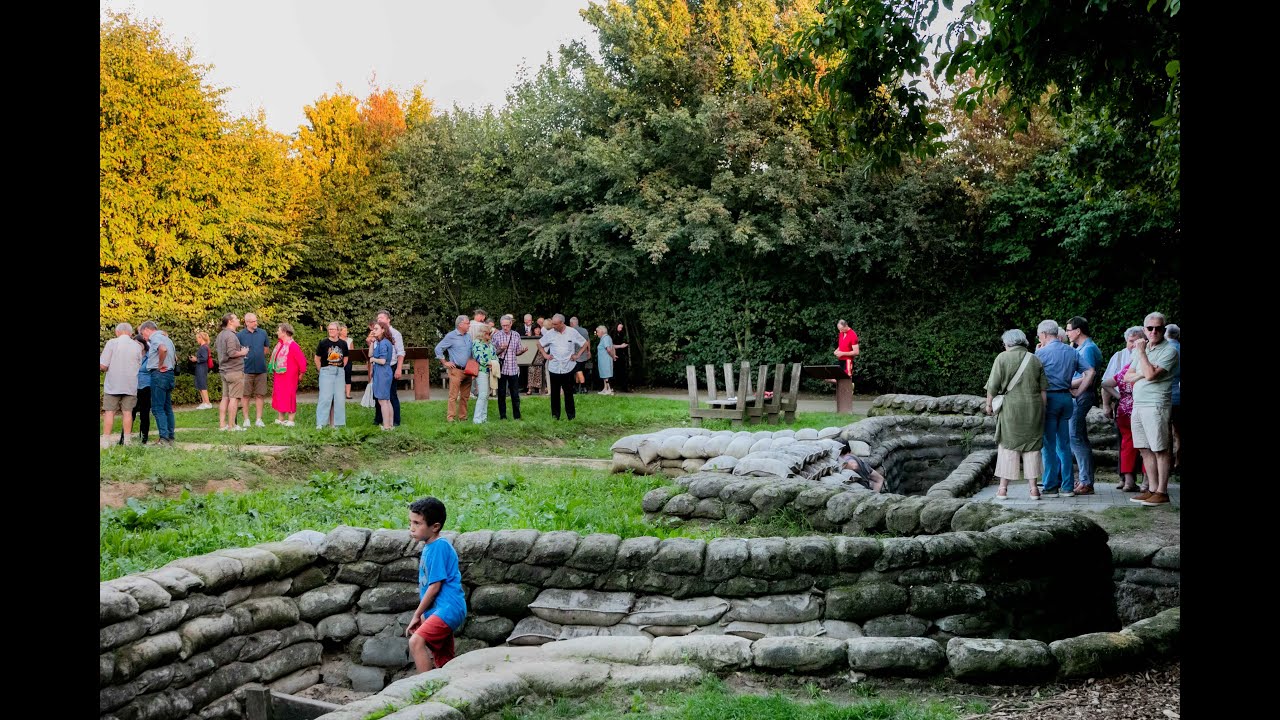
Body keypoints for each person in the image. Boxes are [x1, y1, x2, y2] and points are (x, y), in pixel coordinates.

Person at [985, 329, 1048, 501]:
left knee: (1008, 446)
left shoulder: (1002, 358)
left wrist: (989, 404)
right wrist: (1042, 410)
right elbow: (1043, 390)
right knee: (1033, 448)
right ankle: (1034, 490)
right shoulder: (1035, 359)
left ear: (1008, 343)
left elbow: (993, 386)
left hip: (1010, 409)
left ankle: (1003, 490)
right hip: (1033, 409)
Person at [405, 496, 466, 672]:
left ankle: (424, 689)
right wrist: (424, 615)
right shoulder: (429, 547)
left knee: (416, 641)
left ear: (435, 527)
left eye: (417, 523)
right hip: (441, 609)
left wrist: (418, 614)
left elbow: (434, 587)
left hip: (449, 608)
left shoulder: (439, 547)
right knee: (443, 657)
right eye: (411, 522)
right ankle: (448, 687)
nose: (412, 528)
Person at [1127, 312, 1179, 507]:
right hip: (1139, 404)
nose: (1154, 331)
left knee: (1160, 448)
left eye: (1158, 328)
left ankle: (1162, 491)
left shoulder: (1169, 351)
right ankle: (1151, 490)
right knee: (1144, 448)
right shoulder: (1144, 348)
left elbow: (1150, 376)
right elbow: (1126, 376)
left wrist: (1141, 356)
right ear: (1144, 329)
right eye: (1150, 328)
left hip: (1156, 404)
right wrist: (1144, 370)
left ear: (1164, 330)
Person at [1034, 319, 1084, 497]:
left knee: (1048, 445)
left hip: (1050, 399)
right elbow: (1090, 371)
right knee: (1064, 444)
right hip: (1066, 398)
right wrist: (1079, 391)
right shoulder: (1072, 351)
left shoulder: (1041, 354)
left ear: (1045, 335)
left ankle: (1050, 486)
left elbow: (1034, 377)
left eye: (1039, 335)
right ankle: (1068, 486)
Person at [1102, 327, 1145, 492]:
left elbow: (1107, 383)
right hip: (1133, 407)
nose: (1133, 345)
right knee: (1139, 445)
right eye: (1131, 341)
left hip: (1127, 408)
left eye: (1137, 341)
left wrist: (1121, 397)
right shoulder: (1121, 357)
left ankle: (1133, 481)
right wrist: (1111, 402)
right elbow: (1105, 382)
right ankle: (1133, 481)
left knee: (1130, 445)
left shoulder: (1130, 365)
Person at [1064, 316, 1103, 494]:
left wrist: (1071, 387)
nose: (1067, 333)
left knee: (1076, 437)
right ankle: (1084, 480)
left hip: (1082, 396)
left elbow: (1089, 375)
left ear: (1078, 331)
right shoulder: (1083, 347)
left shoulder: (1088, 349)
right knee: (1078, 436)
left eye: (1069, 329)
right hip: (1081, 395)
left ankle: (1086, 482)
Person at [101, 322, 143, 448]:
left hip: (113, 384)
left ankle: (106, 441)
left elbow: (103, 365)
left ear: (117, 332)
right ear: (130, 333)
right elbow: (139, 364)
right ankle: (127, 440)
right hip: (130, 384)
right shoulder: (137, 346)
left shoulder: (112, 343)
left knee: (109, 412)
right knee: (127, 412)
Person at [540, 314, 586, 420]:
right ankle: (555, 416)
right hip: (554, 367)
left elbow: (584, 343)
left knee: (568, 393)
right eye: (552, 324)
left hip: (568, 367)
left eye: (555, 324)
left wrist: (577, 355)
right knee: (555, 394)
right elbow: (540, 344)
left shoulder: (572, 332)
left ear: (562, 323)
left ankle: (571, 416)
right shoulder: (550, 333)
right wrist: (545, 355)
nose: (553, 326)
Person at [140, 321, 177, 446]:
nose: (144, 337)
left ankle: (164, 438)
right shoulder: (168, 339)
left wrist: (160, 365)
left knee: (157, 408)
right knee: (167, 408)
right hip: (169, 374)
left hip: (159, 374)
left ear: (147, 329)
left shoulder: (155, 338)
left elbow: (162, 349)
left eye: (142, 333)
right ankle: (170, 437)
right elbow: (175, 357)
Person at [434, 315, 474, 422]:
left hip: (468, 371)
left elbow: (471, 353)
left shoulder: (468, 336)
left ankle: (463, 418)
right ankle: (450, 418)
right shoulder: (450, 336)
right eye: (467, 323)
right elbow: (438, 349)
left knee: (465, 397)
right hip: (456, 370)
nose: (469, 325)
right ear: (460, 324)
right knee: (453, 396)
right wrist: (445, 362)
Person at [215, 313, 250, 432]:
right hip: (234, 370)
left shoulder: (220, 335)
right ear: (230, 321)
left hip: (224, 370)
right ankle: (232, 426)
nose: (238, 320)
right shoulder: (231, 336)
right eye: (235, 318)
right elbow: (231, 353)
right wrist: (243, 352)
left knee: (225, 397)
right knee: (234, 398)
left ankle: (222, 425)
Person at [237, 312, 271, 428]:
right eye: (253, 321)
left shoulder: (263, 333)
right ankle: (246, 419)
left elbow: (266, 349)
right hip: (245, 370)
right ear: (246, 322)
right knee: (245, 395)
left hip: (261, 369)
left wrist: (258, 356)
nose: (256, 323)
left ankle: (258, 419)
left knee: (260, 395)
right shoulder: (240, 335)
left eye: (256, 320)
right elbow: (236, 352)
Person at [268, 323, 306, 426]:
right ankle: (280, 419)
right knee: (280, 395)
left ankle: (291, 420)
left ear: (284, 332)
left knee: (289, 396)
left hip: (289, 376)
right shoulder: (280, 344)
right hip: (279, 375)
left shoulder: (293, 346)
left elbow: (302, 361)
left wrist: (301, 373)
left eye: (279, 330)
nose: (277, 332)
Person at [373, 310, 406, 427]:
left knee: (390, 395)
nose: (379, 320)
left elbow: (400, 352)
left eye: (382, 318)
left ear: (388, 320)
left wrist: (399, 368)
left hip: (390, 366)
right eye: (378, 318)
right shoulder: (377, 335)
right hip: (379, 368)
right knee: (379, 396)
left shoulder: (395, 333)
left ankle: (395, 421)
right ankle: (380, 419)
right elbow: (375, 352)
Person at [119, 332, 151, 445]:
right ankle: (123, 438)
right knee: (129, 412)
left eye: (139, 344)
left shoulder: (149, 355)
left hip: (146, 386)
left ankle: (144, 437)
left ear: (144, 344)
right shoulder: (130, 355)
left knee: (144, 413)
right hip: (132, 387)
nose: (137, 346)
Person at [492, 314, 527, 420]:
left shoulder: (516, 335)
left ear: (511, 324)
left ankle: (517, 416)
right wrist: (500, 349)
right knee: (501, 394)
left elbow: (517, 352)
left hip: (513, 369)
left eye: (507, 325)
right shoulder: (496, 336)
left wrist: (522, 351)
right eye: (503, 326)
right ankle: (503, 416)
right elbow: (492, 353)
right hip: (502, 369)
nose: (505, 328)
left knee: (515, 394)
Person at [315, 322, 349, 429]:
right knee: (325, 398)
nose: (331, 331)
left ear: (338, 331)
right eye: (329, 329)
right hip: (326, 371)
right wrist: (321, 370)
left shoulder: (343, 344)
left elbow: (346, 357)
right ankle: (321, 423)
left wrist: (341, 367)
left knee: (339, 398)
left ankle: (337, 423)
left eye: (333, 329)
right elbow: (317, 358)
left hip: (339, 372)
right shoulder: (323, 343)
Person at [369, 320, 396, 431]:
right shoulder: (380, 342)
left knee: (383, 400)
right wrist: (372, 342)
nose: (373, 331)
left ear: (383, 330)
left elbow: (383, 360)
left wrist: (373, 360)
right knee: (386, 400)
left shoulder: (384, 343)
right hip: (382, 372)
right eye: (373, 329)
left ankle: (386, 426)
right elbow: (370, 354)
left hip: (383, 372)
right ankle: (390, 425)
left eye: (376, 329)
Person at [470, 326, 497, 424]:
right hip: (481, 371)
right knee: (482, 395)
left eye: (490, 333)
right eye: (488, 333)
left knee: (486, 395)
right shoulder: (476, 343)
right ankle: (477, 419)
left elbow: (495, 356)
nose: (490, 335)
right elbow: (478, 358)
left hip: (490, 371)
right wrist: (490, 363)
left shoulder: (490, 344)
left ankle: (483, 418)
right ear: (483, 333)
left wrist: (494, 363)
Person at [1165, 323, 1181, 473]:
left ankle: (1167, 464)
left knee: (1166, 431)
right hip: (1179, 395)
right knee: (1178, 431)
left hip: (1167, 394)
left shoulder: (1167, 350)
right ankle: (1178, 461)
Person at [467, 308, 488, 399]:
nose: (484, 319)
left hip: (467, 350)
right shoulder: (481, 325)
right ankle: (474, 391)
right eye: (483, 317)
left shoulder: (468, 324)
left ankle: (469, 391)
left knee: (469, 371)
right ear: (481, 315)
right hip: (478, 350)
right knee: (476, 371)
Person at [190, 331, 213, 409]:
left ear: (201, 338)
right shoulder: (203, 347)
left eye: (197, 338)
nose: (197, 340)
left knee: (202, 385)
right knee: (200, 384)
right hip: (200, 367)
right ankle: (204, 402)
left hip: (202, 367)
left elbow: (204, 358)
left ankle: (207, 403)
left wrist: (196, 359)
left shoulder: (203, 347)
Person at [569, 317, 592, 393]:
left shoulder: (572, 331)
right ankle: (576, 387)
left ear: (571, 324)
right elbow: (588, 341)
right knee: (580, 370)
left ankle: (583, 387)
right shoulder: (585, 330)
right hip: (584, 354)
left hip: (576, 354)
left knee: (578, 371)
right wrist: (589, 351)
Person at [528, 319, 547, 396]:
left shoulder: (543, 337)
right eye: (536, 329)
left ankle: (540, 388)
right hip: (531, 356)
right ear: (533, 330)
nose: (538, 330)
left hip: (540, 356)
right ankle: (530, 388)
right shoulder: (530, 338)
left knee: (540, 372)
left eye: (539, 329)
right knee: (531, 372)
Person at [595, 325, 616, 395]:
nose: (596, 333)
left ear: (601, 331)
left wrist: (613, 356)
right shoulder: (604, 338)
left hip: (605, 359)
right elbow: (612, 346)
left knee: (606, 375)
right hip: (603, 360)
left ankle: (609, 389)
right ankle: (605, 388)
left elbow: (609, 349)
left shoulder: (606, 338)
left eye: (597, 332)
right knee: (604, 375)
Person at [613, 322, 631, 392]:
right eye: (619, 327)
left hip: (621, 354)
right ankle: (618, 386)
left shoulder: (621, 334)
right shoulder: (613, 335)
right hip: (615, 354)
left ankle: (624, 387)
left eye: (621, 328)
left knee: (623, 371)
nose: (621, 329)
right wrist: (621, 346)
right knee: (617, 371)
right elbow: (612, 346)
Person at [340, 324, 354, 400]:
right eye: (344, 330)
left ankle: (348, 394)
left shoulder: (350, 340)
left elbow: (352, 351)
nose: (346, 332)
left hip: (348, 361)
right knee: (339, 377)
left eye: (346, 330)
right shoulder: (337, 339)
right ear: (340, 332)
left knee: (348, 376)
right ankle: (340, 393)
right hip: (338, 361)